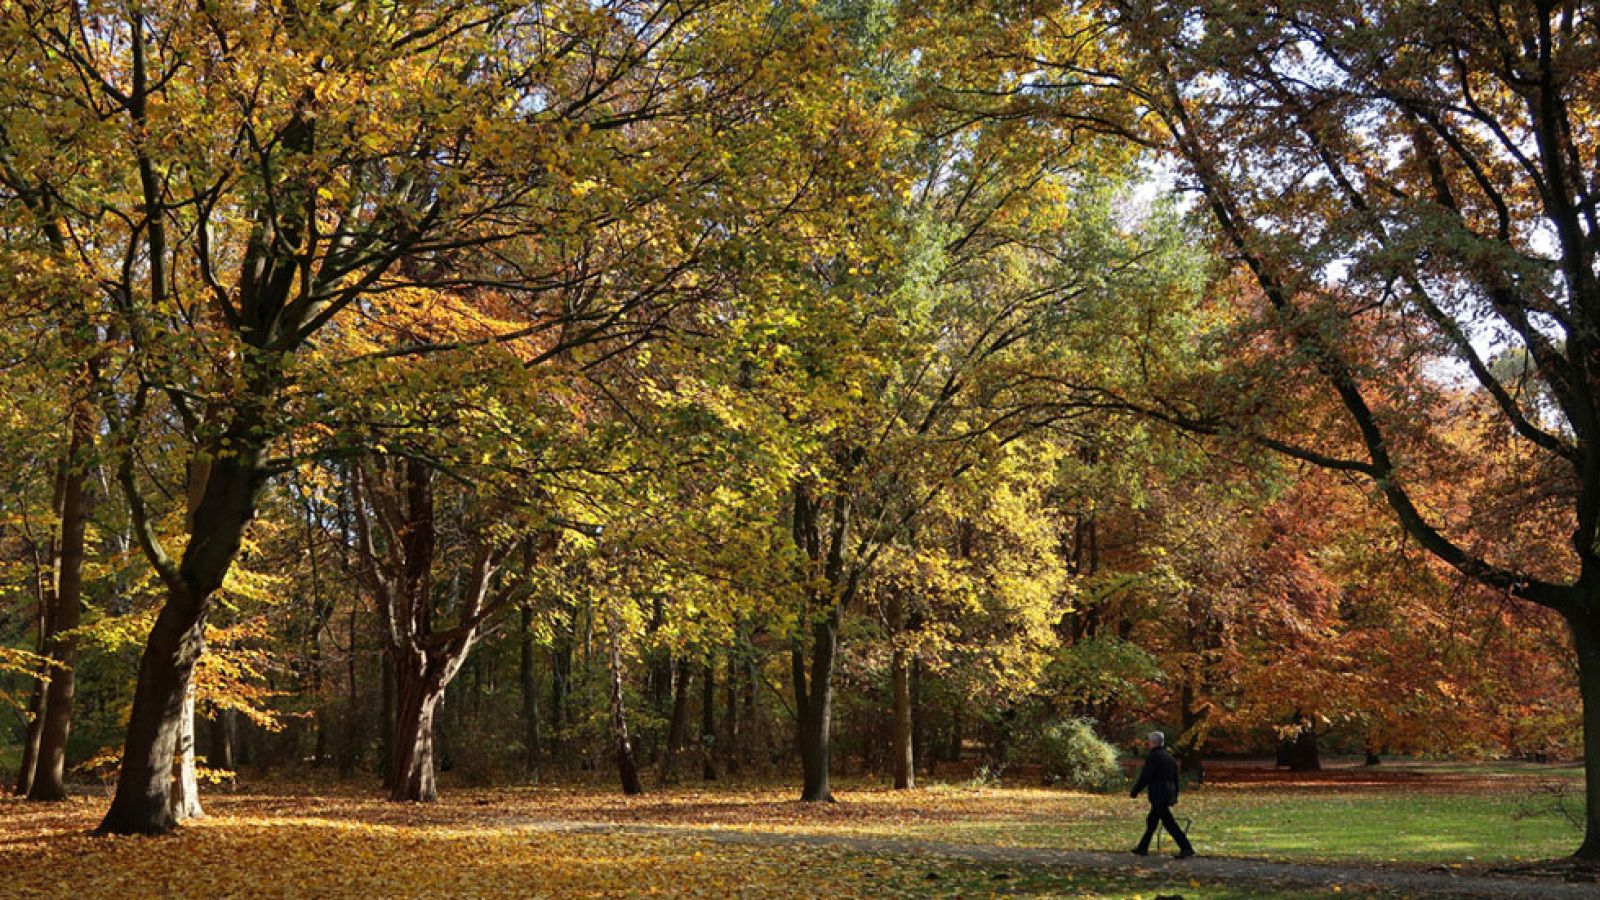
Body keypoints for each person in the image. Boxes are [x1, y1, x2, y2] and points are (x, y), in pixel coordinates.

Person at [1130, 730, 1194, 858]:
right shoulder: (1169, 757)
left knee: (1168, 823)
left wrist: (1135, 790)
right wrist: (1174, 795)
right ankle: (1143, 847)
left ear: (1153, 742)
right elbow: (1175, 778)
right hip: (1167, 793)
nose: (1148, 744)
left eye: (1149, 742)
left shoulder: (1154, 757)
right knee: (1152, 820)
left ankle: (1186, 848)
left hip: (1158, 794)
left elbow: (1146, 776)